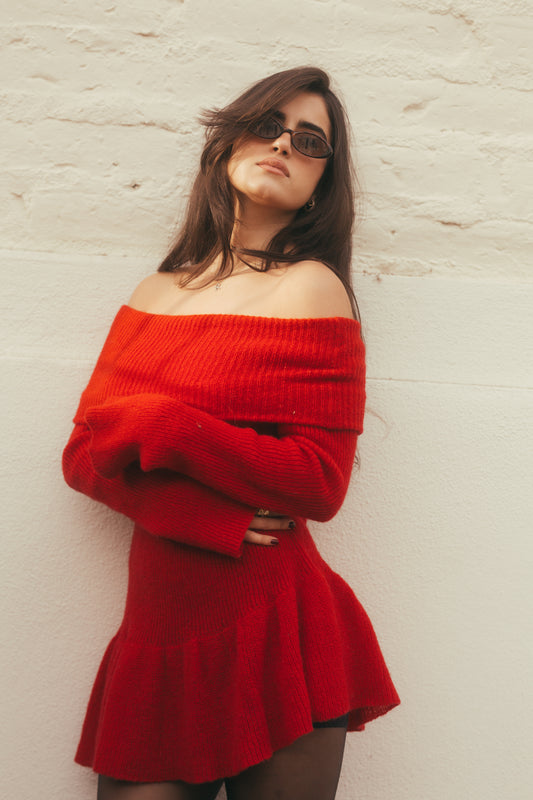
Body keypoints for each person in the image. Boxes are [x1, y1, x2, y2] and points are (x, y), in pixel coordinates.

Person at [62, 66, 400, 800]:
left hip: (276, 626)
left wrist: (164, 425)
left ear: (322, 181)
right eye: (266, 123)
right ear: (225, 143)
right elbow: (84, 458)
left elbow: (318, 482)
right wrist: (199, 516)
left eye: (309, 140)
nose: (283, 142)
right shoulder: (156, 291)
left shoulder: (310, 287)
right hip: (157, 638)